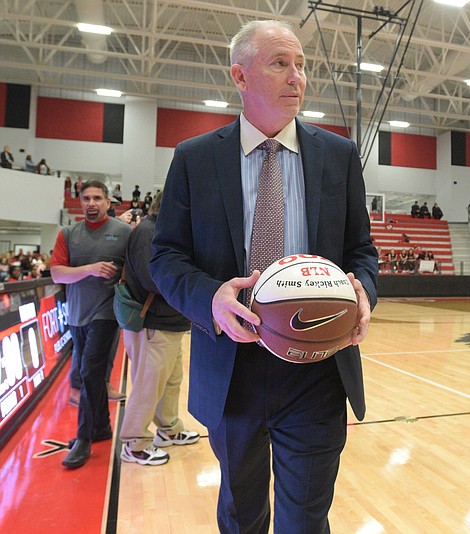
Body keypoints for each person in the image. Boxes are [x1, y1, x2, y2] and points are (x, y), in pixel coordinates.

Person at [149, 20, 378, 533]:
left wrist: (364, 293)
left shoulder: (339, 157)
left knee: (306, 518)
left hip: (318, 365)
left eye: (301, 65)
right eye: (280, 63)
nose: (296, 76)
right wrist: (211, 298)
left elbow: (362, 250)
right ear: (240, 75)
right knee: (240, 512)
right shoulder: (195, 158)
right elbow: (165, 256)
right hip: (233, 368)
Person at [50, 180, 133, 468]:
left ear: (109, 202)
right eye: (86, 198)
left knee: (89, 371)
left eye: (97, 198)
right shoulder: (68, 233)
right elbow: (57, 274)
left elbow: (136, 269)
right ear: (80, 201)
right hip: (76, 314)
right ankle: (101, 427)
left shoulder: (124, 233)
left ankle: (83, 438)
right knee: (91, 375)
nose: (91, 203)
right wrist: (89, 269)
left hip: (107, 313)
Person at [119, 191, 200, 466]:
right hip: (151, 323)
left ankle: (169, 429)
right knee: (148, 385)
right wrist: (191, 278)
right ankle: (135, 443)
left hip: (170, 322)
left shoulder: (162, 232)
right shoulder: (148, 231)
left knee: (170, 381)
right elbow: (152, 278)